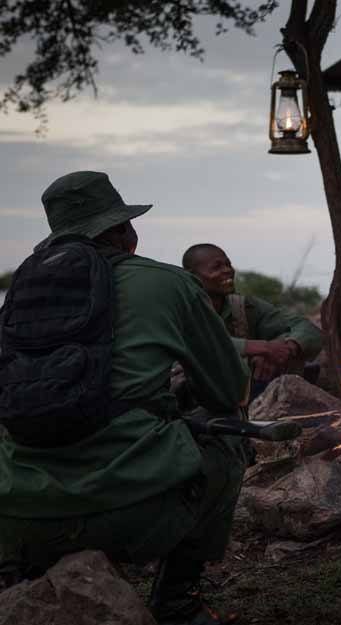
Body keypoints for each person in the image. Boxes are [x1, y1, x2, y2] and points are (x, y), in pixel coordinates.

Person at [0, 171, 249, 624]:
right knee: (229, 441)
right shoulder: (166, 282)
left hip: (16, 510)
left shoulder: (22, 291)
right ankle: (178, 602)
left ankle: (26, 574)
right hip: (127, 512)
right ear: (122, 230)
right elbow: (228, 390)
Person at [180, 243, 322, 393]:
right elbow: (200, 345)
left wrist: (285, 348)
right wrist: (261, 347)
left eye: (228, 264)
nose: (227, 270)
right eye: (217, 267)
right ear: (191, 276)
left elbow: (305, 327)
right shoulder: (178, 309)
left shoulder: (243, 306)